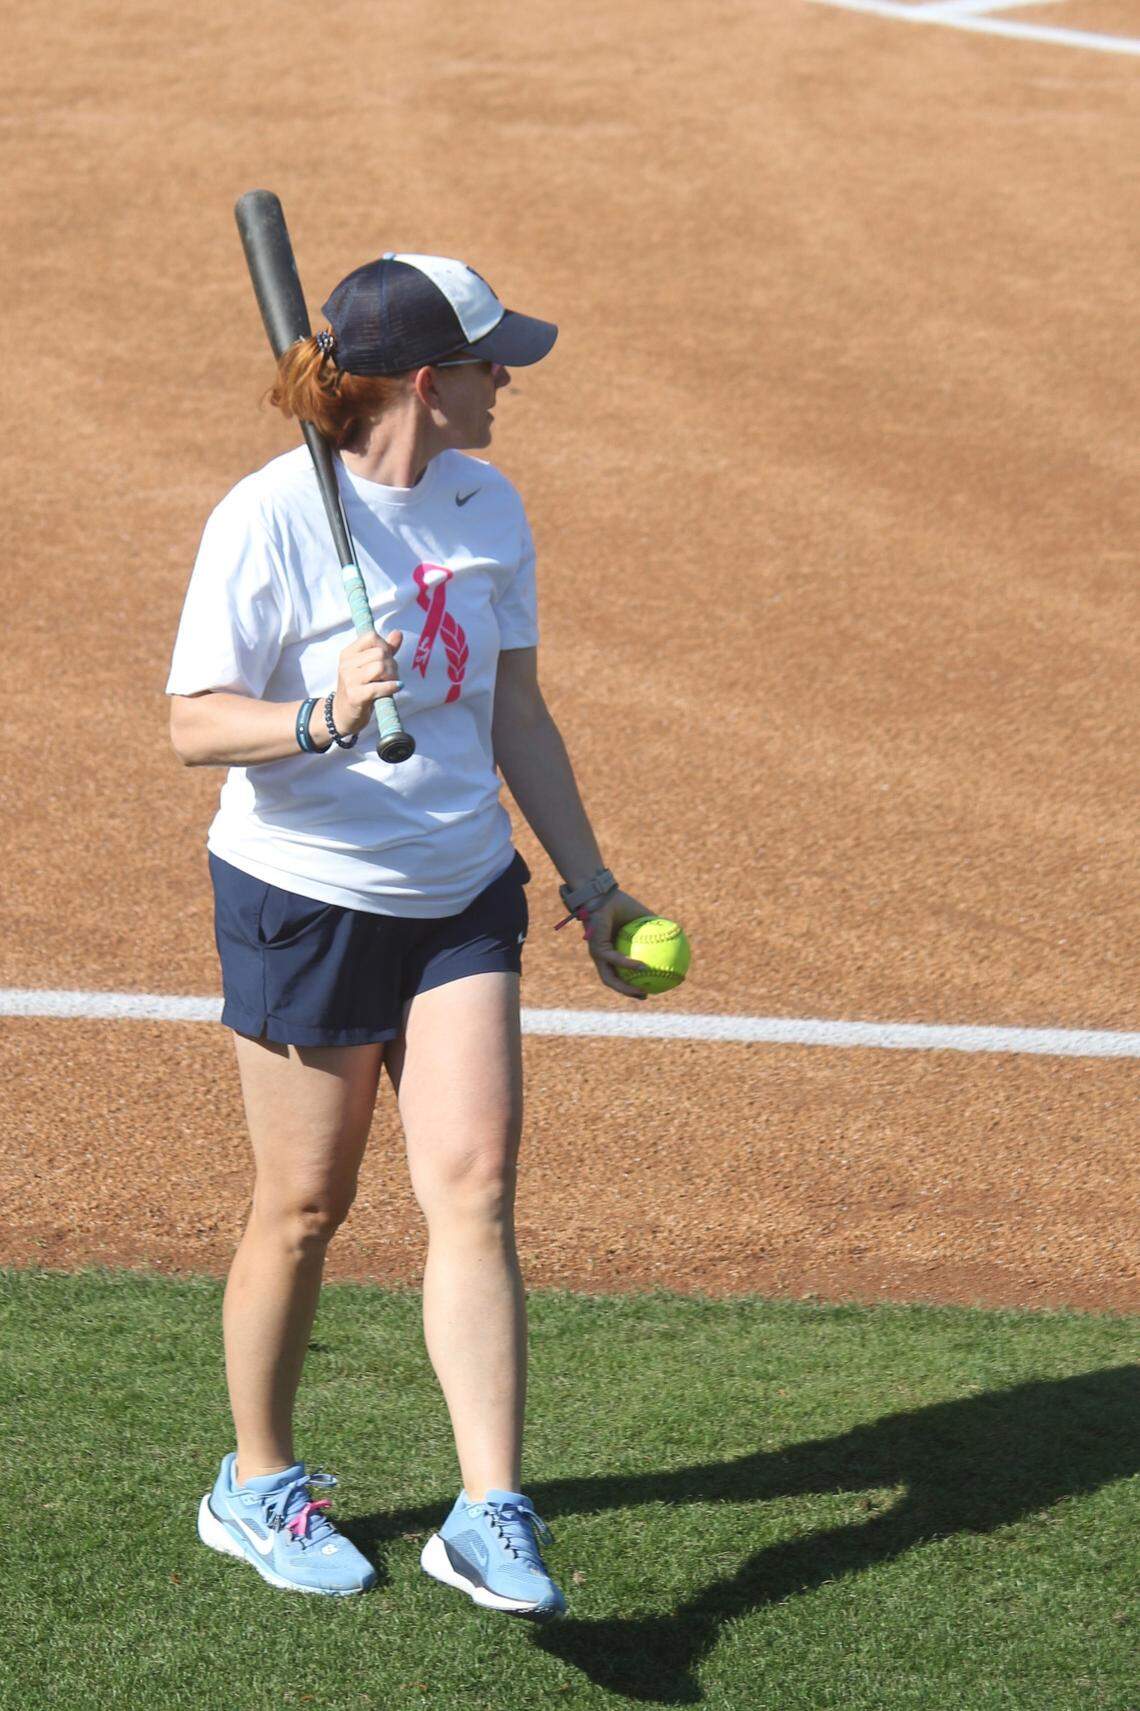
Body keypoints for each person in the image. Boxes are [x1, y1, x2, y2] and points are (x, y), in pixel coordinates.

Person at [166, 250, 656, 1617]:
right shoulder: (265, 520)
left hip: (460, 890)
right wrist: (320, 713)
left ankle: (491, 1509)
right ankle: (253, 1481)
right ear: (431, 383)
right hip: (304, 894)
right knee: (305, 1207)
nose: (515, 385)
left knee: (475, 1186)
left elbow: (515, 714)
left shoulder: (488, 504)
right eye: (497, 364)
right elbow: (195, 722)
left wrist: (589, 882)